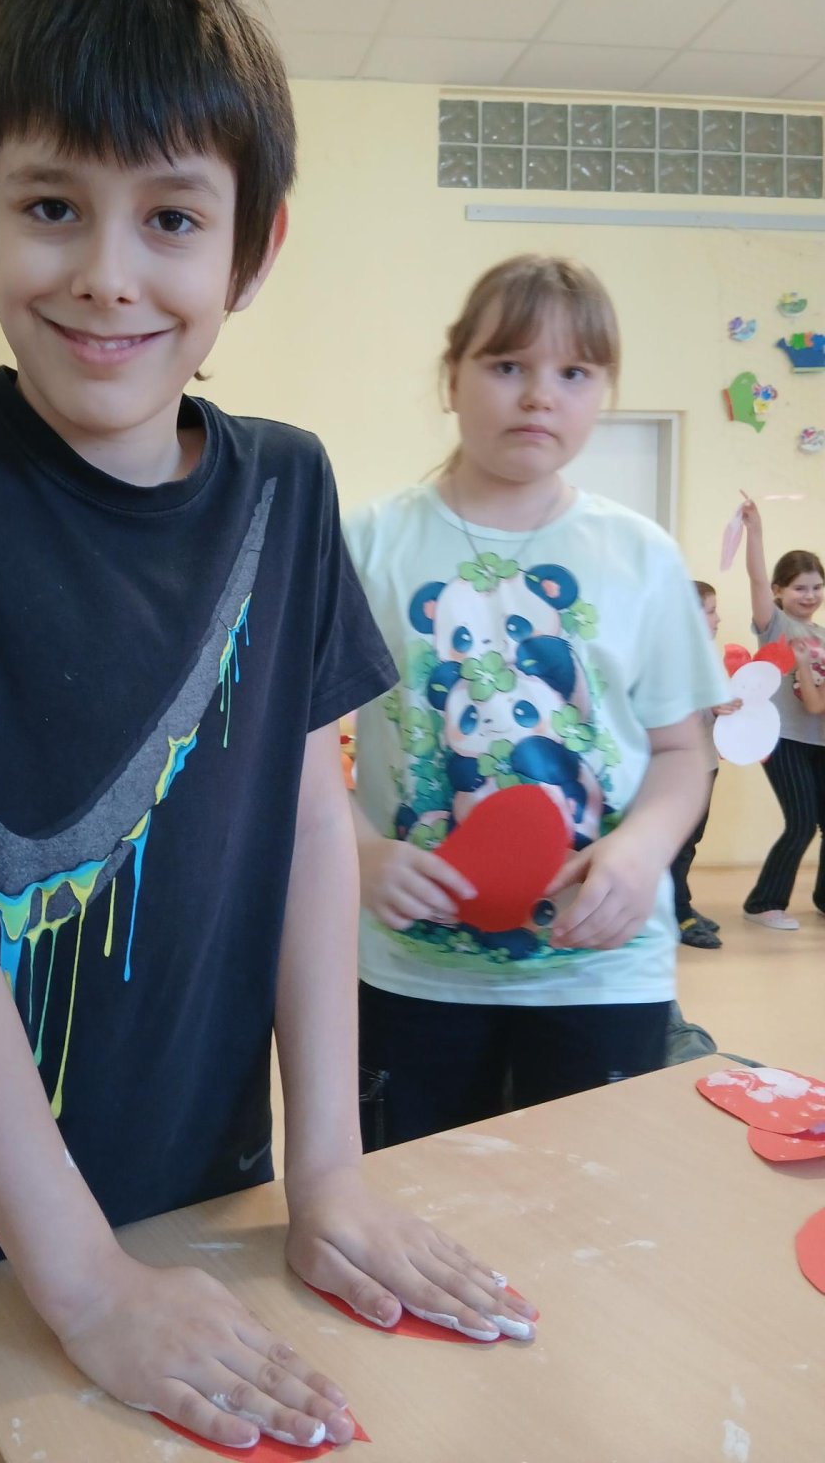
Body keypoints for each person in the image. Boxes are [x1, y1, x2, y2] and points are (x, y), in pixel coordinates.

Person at [0, 0, 533, 1463]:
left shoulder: (287, 491)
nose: (107, 276)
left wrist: (331, 1174)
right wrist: (86, 1286)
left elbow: (310, 828)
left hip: (208, 1228)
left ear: (252, 248)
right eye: (51, 206)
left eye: (171, 217)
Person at [345, 254, 726, 1148]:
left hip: (603, 973)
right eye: (507, 364)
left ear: (604, 391)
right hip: (414, 974)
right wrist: (359, 853)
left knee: (588, 1203)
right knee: (417, 1200)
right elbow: (296, 747)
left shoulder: (642, 556)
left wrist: (641, 851)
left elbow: (684, 752)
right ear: (452, 376)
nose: (539, 396)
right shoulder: (367, 543)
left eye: (574, 373)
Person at [740, 497, 825, 930]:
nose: (809, 596)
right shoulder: (775, 624)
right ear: (779, 591)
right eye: (799, 588)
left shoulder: (822, 634)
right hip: (783, 738)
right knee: (801, 823)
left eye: (816, 587)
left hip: (820, 740)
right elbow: (756, 577)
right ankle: (764, 904)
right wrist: (755, 531)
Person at [671, 581, 741, 949]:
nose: (718, 619)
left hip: (706, 761)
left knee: (691, 840)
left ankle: (681, 903)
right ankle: (677, 913)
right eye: (711, 611)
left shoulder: (705, 657)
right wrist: (710, 707)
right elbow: (668, 715)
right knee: (678, 844)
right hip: (681, 768)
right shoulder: (672, 660)